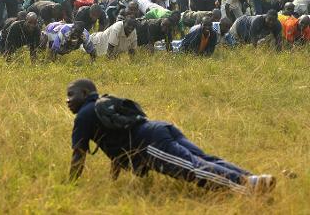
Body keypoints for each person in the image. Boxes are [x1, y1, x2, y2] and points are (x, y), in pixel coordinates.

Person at [66, 79, 276, 194]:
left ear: (85, 94)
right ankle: (254, 179)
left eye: (71, 94)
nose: (67, 101)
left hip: (150, 143)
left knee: (192, 168)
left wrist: (70, 187)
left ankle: (248, 187)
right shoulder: (105, 102)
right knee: (206, 159)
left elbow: (78, 155)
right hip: (160, 128)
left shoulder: (83, 116)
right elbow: (117, 146)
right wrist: (114, 183)